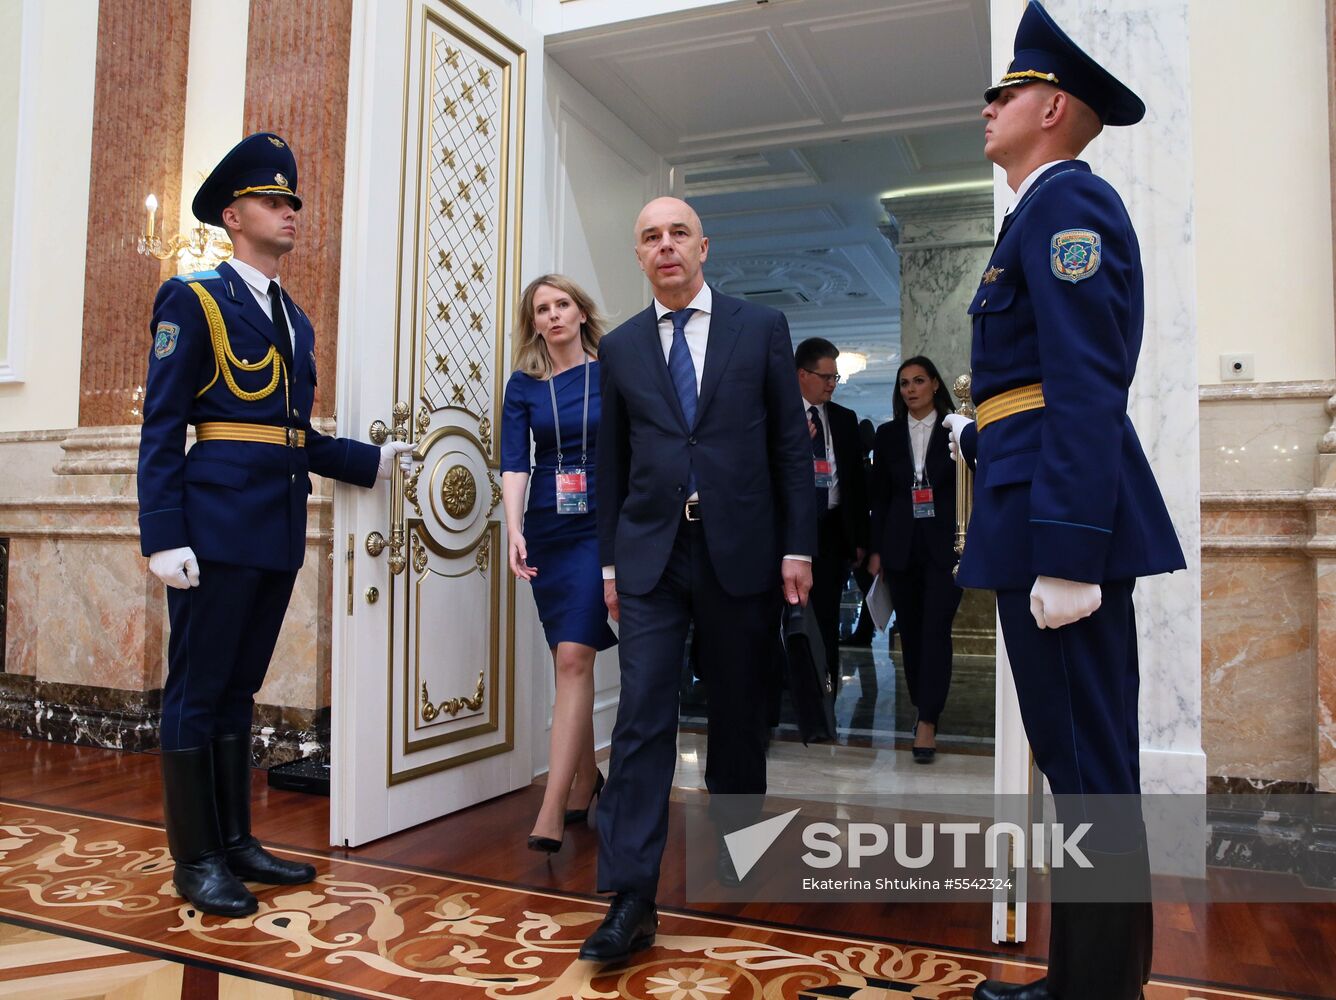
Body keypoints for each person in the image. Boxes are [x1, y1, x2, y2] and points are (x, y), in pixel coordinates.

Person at [941, 4, 1185, 998]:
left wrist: (1071, 550)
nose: (986, 105)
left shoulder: (1067, 206)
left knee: (1090, 779)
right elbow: (1032, 390)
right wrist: (977, 435)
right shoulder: (1035, 213)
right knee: (1079, 768)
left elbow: (1085, 385)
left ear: (1048, 106)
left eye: (1003, 91)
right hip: (1031, 502)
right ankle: (1082, 981)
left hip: (1056, 521)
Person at [136, 132, 412, 917]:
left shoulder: (293, 319)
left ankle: (235, 843)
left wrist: (370, 461)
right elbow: (163, 426)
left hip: (275, 528)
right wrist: (163, 534)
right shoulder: (193, 300)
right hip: (213, 525)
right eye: (271, 200)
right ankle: (196, 859)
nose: (289, 211)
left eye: (292, 201)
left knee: (239, 688)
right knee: (197, 689)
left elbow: (293, 436)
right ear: (233, 215)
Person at [579, 197, 815, 963]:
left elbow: (790, 446)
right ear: (639, 255)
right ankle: (631, 897)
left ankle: (739, 844)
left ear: (703, 247)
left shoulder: (760, 328)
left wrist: (798, 548)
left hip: (740, 548)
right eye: (650, 237)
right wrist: (610, 564)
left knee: (740, 708)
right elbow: (610, 463)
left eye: (678, 233)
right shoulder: (620, 348)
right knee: (642, 715)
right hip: (651, 555)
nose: (666, 246)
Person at [500, 274, 616, 854]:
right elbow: (514, 462)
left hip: (602, 523)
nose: (553, 315)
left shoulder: (612, 371)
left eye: (562, 304)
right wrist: (514, 528)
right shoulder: (523, 385)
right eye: (542, 308)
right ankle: (588, 776)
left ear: (581, 312)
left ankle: (551, 807)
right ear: (534, 322)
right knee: (566, 657)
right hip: (549, 523)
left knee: (574, 656)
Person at [867, 356, 961, 764]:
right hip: (900, 548)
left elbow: (968, 489)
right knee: (911, 633)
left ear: (935, 385)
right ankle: (922, 704)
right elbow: (880, 497)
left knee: (936, 630)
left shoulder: (956, 430)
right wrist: (876, 550)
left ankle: (927, 721)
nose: (911, 389)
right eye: (904, 383)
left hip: (945, 548)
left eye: (919, 381)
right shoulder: (887, 435)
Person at [794, 337, 868, 696]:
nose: (831, 384)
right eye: (825, 377)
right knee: (790, 619)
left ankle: (826, 697)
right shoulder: (779, 417)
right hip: (791, 533)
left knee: (827, 618)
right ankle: (792, 695)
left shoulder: (844, 419)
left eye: (835, 377)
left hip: (832, 532)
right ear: (802, 375)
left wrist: (859, 539)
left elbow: (855, 484)